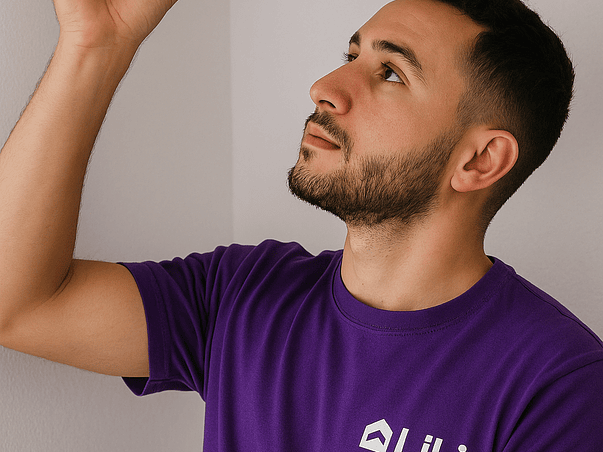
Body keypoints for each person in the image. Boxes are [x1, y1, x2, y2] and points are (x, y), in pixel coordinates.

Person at [0, 0, 601, 450]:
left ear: (480, 160)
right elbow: (18, 303)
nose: (325, 88)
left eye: (391, 73)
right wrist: (95, 44)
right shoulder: (246, 292)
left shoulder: (560, 386)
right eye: (351, 56)